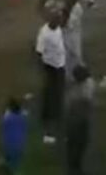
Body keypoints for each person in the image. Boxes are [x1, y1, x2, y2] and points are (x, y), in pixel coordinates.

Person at [36, 13, 66, 142]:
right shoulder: (44, 33)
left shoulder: (57, 29)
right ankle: (47, 114)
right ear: (51, 22)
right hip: (50, 65)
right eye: (57, 22)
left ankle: (57, 111)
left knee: (59, 89)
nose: (58, 24)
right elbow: (39, 51)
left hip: (60, 63)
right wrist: (42, 64)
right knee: (49, 90)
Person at [65, 65, 94, 175]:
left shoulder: (88, 84)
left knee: (82, 143)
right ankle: (73, 167)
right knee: (75, 144)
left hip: (81, 119)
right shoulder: (74, 89)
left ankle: (76, 165)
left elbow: (87, 102)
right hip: (75, 119)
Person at [63, 0, 93, 73]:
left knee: (75, 53)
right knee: (67, 54)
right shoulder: (72, 7)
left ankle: (79, 71)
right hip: (68, 34)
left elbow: (68, 24)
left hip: (73, 34)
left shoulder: (77, 9)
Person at [0, 98, 29, 174]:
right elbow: (24, 130)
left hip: (9, 144)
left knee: (9, 163)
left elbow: (3, 128)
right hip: (19, 144)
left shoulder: (7, 118)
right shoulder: (22, 118)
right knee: (15, 164)